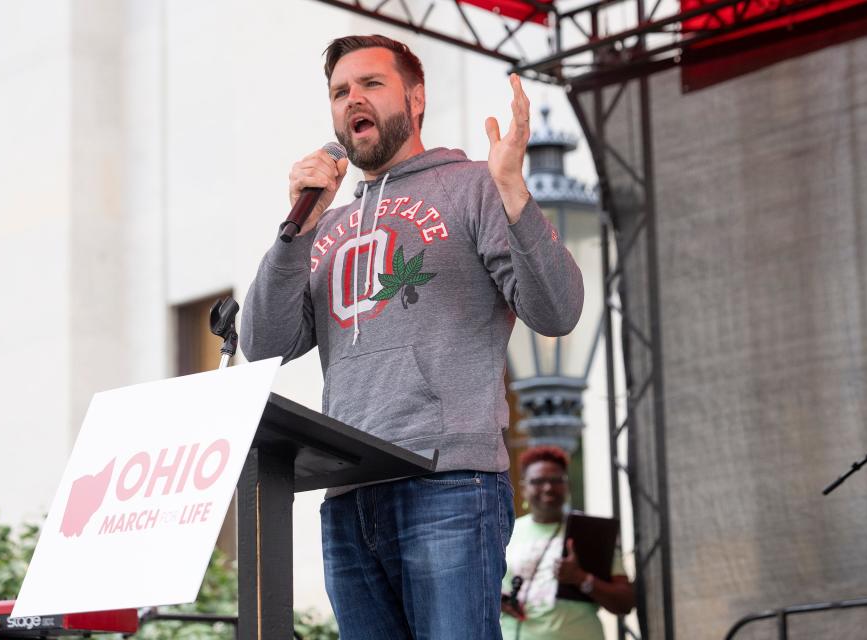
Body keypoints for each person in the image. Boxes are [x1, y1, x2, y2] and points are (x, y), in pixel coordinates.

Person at [240, 34, 584, 640]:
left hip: (446, 482)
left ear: (416, 98)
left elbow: (556, 311)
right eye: (340, 92)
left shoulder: (473, 184)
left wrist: (512, 191)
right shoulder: (329, 224)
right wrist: (294, 229)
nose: (353, 100)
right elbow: (263, 345)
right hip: (346, 495)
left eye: (371, 84)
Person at [500, 446, 636, 640]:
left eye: (556, 480)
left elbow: (625, 601)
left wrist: (581, 579)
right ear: (523, 488)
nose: (548, 487)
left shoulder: (590, 531)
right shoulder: (505, 532)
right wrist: (497, 601)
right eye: (538, 481)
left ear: (567, 486)